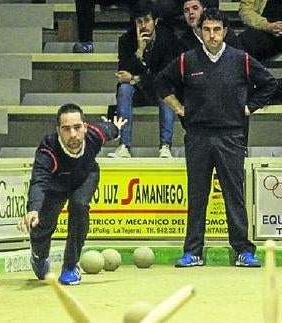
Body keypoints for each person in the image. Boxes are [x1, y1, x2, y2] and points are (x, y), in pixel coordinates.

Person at [155, 9, 277, 267]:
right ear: (200, 31)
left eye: (217, 29)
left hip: (231, 136)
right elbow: (160, 83)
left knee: (234, 195)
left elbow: (269, 83)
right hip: (197, 136)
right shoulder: (187, 60)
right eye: (207, 29)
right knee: (197, 196)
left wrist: (248, 107)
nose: (212, 34)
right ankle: (193, 251)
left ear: (225, 31)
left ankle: (243, 250)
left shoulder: (241, 59)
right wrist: (178, 108)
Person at [17, 104, 126, 285]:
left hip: (85, 176)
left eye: (77, 127)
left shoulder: (95, 135)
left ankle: (70, 265)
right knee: (42, 226)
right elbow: (39, 181)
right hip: (55, 184)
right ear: (58, 130)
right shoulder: (47, 150)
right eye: (66, 129)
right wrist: (34, 209)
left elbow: (110, 129)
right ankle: (39, 256)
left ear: (85, 126)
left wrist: (116, 127)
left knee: (79, 205)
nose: (73, 134)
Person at [108, 0, 180, 158]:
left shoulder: (168, 38)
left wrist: (134, 78)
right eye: (139, 22)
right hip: (139, 92)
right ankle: (124, 146)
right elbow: (122, 75)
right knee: (124, 89)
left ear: (155, 21)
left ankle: (165, 146)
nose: (143, 25)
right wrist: (140, 50)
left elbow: (166, 76)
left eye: (147, 20)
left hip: (158, 90)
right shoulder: (126, 40)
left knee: (166, 91)